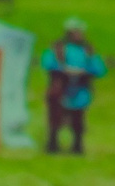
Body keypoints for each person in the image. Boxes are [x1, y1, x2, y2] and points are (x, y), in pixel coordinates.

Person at [41, 19, 107, 155]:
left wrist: (85, 71)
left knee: (78, 120)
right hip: (61, 90)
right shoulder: (58, 48)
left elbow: (99, 69)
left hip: (80, 92)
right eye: (76, 31)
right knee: (55, 118)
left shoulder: (87, 50)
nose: (79, 34)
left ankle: (77, 146)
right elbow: (47, 63)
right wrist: (63, 70)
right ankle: (52, 144)